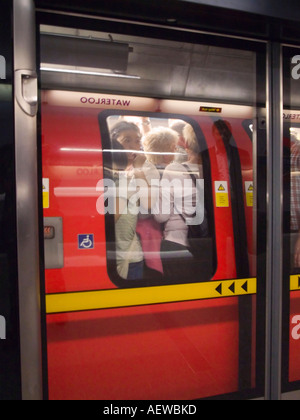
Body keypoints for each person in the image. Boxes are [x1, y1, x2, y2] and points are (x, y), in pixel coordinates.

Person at [152, 125, 205, 281]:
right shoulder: (215, 171)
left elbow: (161, 216)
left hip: (176, 242)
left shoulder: (175, 169)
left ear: (187, 144)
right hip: (206, 242)